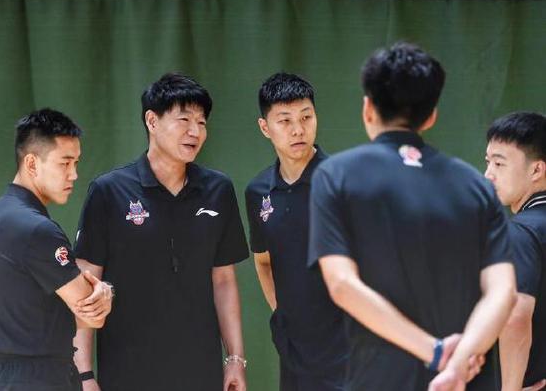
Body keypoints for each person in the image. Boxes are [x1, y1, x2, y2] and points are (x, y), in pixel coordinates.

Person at [307, 42, 517, 391]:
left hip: (380, 380)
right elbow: (503, 292)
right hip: (468, 380)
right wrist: (459, 363)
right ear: (432, 115)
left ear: (368, 108)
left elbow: (343, 285)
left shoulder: (336, 175)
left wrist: (437, 353)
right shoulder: (477, 186)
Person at [73, 73, 249, 391]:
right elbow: (86, 286)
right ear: (152, 121)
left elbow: (224, 280)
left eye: (202, 122)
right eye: (184, 120)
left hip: (200, 371)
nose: (195, 131)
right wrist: (84, 375)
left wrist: (235, 359)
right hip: (127, 372)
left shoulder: (218, 190)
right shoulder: (109, 191)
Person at [0, 108, 112, 391]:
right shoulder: (36, 229)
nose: (74, 174)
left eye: (76, 162)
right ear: (32, 163)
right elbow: (91, 314)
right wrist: (105, 293)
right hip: (38, 378)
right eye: (65, 163)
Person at [244, 72, 347, 390]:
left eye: (306, 117)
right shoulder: (258, 191)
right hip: (294, 350)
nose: (298, 129)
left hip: (349, 349)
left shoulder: (344, 181)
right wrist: (283, 313)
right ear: (265, 128)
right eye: (285, 120)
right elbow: (263, 261)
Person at [485, 112, 546, 391]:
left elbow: (515, 316)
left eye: (499, 164)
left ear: (536, 170)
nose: (488, 174)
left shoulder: (520, 232)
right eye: (488, 162)